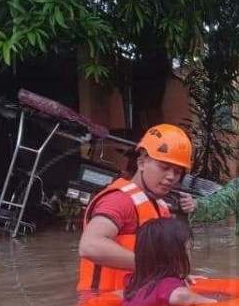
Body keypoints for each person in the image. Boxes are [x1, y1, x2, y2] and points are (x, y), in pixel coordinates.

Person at [77, 124, 195, 294]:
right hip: (104, 304)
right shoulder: (119, 200)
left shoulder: (160, 205)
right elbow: (89, 246)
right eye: (164, 167)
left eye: (177, 172)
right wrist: (154, 267)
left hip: (135, 300)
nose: (171, 177)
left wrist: (177, 275)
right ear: (141, 162)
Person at [123, 217, 216, 306]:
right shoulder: (166, 284)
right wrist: (208, 301)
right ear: (173, 256)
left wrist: (181, 277)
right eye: (188, 249)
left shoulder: (134, 281)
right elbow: (179, 296)